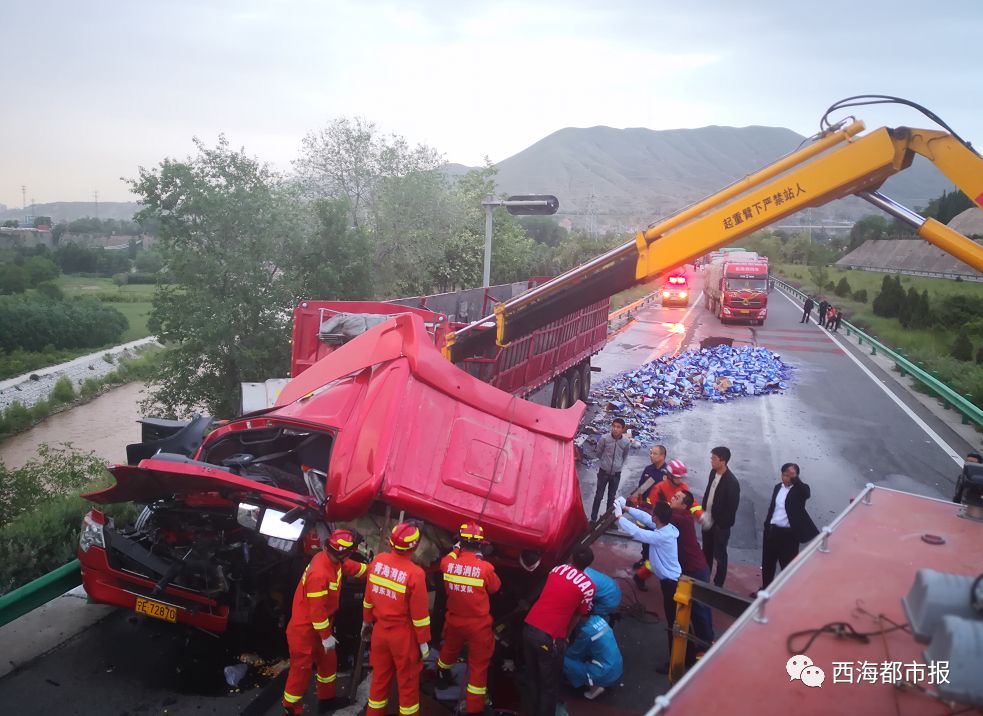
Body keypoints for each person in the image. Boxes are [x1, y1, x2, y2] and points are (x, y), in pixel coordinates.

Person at [282, 528, 368, 716]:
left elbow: (350, 567)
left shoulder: (331, 560)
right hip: (305, 631)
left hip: (321, 627)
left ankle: (326, 701)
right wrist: (326, 637)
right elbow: (316, 612)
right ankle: (291, 708)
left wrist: (372, 572)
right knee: (301, 672)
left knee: (328, 663)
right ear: (343, 552)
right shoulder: (320, 574)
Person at [362, 523, 432, 716]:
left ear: (391, 542)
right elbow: (420, 616)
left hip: (379, 632)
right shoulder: (415, 574)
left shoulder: (377, 562)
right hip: (403, 637)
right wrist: (423, 642)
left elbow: (368, 599)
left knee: (379, 682)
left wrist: (367, 622)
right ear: (414, 546)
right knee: (408, 687)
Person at [435, 522, 502, 714]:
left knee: (449, 649)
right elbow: (495, 588)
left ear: (459, 543)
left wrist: (456, 550)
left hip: (455, 620)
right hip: (478, 625)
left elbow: (447, 558)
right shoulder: (485, 568)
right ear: (481, 545)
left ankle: (442, 675)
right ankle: (474, 708)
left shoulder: (447, 564)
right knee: (478, 666)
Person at [523, 547, 596, 716]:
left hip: (528, 628)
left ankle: (532, 709)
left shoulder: (557, 569)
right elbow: (579, 614)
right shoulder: (588, 585)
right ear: (589, 564)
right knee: (549, 685)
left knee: (532, 677)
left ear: (572, 557)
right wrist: (566, 636)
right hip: (549, 638)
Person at [614, 498, 680, 672]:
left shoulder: (661, 536)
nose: (651, 515)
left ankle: (676, 661)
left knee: (674, 624)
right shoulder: (665, 529)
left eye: (653, 514)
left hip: (671, 585)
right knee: (676, 621)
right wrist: (627, 508)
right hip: (671, 581)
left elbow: (638, 533)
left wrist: (620, 517)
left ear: (656, 517)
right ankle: (682, 655)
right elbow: (644, 517)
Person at [631, 459, 701, 591]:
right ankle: (640, 576)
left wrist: (701, 515)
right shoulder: (659, 489)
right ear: (669, 475)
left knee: (670, 557)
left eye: (681, 478)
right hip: (661, 528)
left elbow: (692, 504)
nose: (680, 480)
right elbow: (652, 510)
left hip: (676, 527)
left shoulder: (683, 488)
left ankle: (644, 576)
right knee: (656, 559)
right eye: (677, 477)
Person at [758, 463, 820, 590]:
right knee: (768, 564)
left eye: (790, 475)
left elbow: (806, 493)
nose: (786, 478)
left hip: (789, 535)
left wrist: (795, 478)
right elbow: (773, 507)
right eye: (784, 475)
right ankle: (765, 589)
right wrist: (767, 525)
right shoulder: (777, 488)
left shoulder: (799, 490)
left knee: (788, 566)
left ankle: (787, 591)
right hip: (773, 531)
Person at [668, 490, 714, 656]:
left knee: (698, 609)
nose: (673, 497)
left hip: (693, 569)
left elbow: (655, 517)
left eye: (677, 497)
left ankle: (704, 646)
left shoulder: (678, 518)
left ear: (684, 505)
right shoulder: (682, 515)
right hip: (697, 566)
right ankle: (707, 640)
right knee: (702, 607)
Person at [700, 446, 740, 588]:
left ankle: (718, 584)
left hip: (720, 527)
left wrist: (720, 525)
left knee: (720, 556)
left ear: (723, 461)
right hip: (708, 520)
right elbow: (708, 492)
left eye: (714, 459)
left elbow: (731, 509)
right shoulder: (713, 473)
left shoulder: (732, 483)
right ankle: (705, 578)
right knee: (706, 552)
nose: (711, 461)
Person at [562, 613, 624, 700]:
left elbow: (574, 653)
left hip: (604, 673)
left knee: (564, 661)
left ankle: (593, 683)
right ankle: (596, 683)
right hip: (616, 666)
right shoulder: (599, 619)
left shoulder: (587, 631)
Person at [629, 444, 670, 569]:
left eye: (655, 453)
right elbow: (642, 488)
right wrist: (634, 500)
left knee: (657, 540)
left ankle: (656, 563)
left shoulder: (668, 473)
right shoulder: (648, 470)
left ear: (663, 456)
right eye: (651, 453)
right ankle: (645, 559)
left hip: (660, 513)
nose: (651, 455)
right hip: (647, 510)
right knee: (646, 537)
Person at [590, 419, 635, 522]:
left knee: (611, 497)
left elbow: (624, 456)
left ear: (623, 429)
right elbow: (599, 453)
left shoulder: (625, 442)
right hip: (603, 472)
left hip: (616, 474)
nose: (615, 429)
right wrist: (605, 463)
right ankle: (593, 519)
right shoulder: (604, 439)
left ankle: (606, 520)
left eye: (618, 427)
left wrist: (618, 465)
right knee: (598, 496)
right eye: (613, 426)